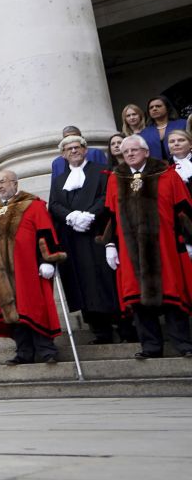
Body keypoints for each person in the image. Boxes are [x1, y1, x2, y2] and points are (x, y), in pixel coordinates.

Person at [99, 135, 192, 359]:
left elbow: (183, 209)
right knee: (138, 300)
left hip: (164, 247)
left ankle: (184, 345)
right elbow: (110, 214)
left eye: (135, 150)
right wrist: (110, 243)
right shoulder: (115, 178)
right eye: (126, 151)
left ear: (146, 152)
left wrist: (189, 240)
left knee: (172, 296)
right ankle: (150, 347)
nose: (130, 154)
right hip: (131, 251)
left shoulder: (167, 174)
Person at [0, 170, 64, 364]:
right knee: (11, 310)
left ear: (15, 184)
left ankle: (46, 349)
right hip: (0, 271)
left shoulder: (33, 205)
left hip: (27, 268)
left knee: (33, 306)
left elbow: (45, 232)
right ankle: (24, 351)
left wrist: (47, 260)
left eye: (3, 182)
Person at [48, 135, 129, 344]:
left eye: (77, 147)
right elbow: (54, 204)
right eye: (68, 149)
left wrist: (89, 215)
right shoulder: (58, 180)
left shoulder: (102, 172)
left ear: (85, 150)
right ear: (63, 154)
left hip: (99, 236)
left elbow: (107, 197)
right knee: (84, 285)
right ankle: (100, 331)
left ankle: (125, 328)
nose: (73, 151)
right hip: (73, 240)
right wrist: (70, 216)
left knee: (107, 282)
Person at [138, 95, 188, 161]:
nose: (154, 109)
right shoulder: (144, 133)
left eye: (158, 106)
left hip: (184, 164)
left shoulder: (183, 124)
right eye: (151, 107)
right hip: (156, 168)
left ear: (167, 108)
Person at [170, 128, 192, 196]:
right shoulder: (164, 167)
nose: (176, 144)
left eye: (181, 140)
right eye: (172, 141)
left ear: (191, 144)